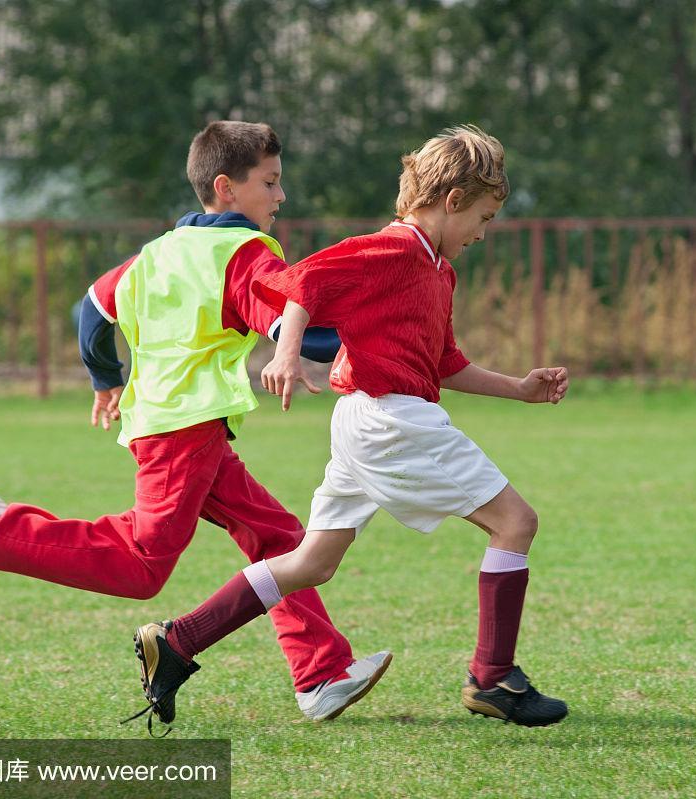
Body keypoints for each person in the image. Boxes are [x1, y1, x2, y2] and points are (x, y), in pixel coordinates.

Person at [0, 121, 390, 732]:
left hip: (175, 425)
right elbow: (287, 327)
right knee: (142, 565)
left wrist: (103, 376)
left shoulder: (160, 250)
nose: (281, 197)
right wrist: (365, 339)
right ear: (226, 187)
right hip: (182, 431)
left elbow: (88, 308)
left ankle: (322, 673)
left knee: (278, 538)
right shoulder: (245, 253)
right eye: (270, 183)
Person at [139, 125, 569, 727]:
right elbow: (304, 283)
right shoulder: (392, 250)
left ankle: (179, 641)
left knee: (312, 562)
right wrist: (286, 353)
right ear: (451, 200)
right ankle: (491, 678)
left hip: (366, 419)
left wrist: (518, 389)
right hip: (393, 419)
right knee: (516, 522)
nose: (482, 232)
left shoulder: (437, 270)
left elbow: (444, 363)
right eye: (484, 217)